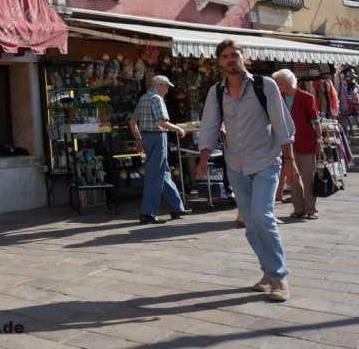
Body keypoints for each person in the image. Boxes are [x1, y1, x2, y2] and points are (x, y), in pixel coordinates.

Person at [197, 40, 297, 302]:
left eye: (234, 55)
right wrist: (203, 158)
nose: (230, 60)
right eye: (225, 56)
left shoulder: (265, 85)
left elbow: (282, 123)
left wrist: (290, 160)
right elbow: (209, 125)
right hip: (236, 166)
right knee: (250, 223)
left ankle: (279, 277)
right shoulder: (216, 92)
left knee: (262, 216)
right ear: (219, 62)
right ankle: (268, 271)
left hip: (266, 161)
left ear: (244, 57)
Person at [128, 75, 192, 225]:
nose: (167, 90)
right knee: (155, 175)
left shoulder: (144, 98)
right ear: (161, 85)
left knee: (163, 172)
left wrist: (139, 139)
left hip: (147, 137)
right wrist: (178, 129)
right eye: (167, 86)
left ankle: (177, 207)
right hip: (157, 137)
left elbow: (132, 122)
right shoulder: (157, 99)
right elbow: (161, 122)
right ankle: (148, 214)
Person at [272, 69, 322, 219]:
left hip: (306, 141)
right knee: (292, 176)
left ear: (288, 82)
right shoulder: (278, 98)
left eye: (280, 82)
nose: (278, 85)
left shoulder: (307, 97)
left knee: (308, 177)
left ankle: (311, 209)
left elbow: (316, 122)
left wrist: (319, 141)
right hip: (287, 143)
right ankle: (298, 208)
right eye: (277, 82)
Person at [338, 67, 359, 137]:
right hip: (346, 106)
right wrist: (345, 106)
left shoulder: (355, 84)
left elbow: (355, 92)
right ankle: (344, 135)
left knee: (351, 121)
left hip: (354, 105)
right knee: (345, 123)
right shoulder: (343, 83)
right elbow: (342, 95)